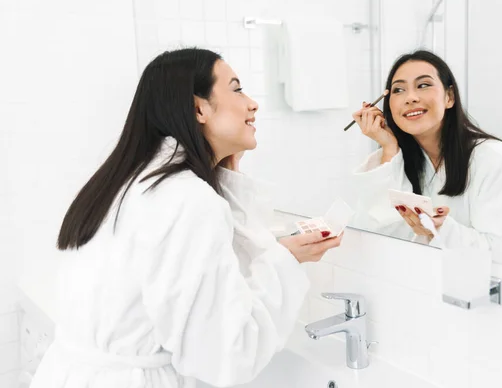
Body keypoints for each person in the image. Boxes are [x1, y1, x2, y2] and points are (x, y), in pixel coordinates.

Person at [30, 48, 342, 388]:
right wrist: (286, 261)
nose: (252, 104)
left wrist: (225, 171)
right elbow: (226, 357)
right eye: (237, 89)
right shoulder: (186, 199)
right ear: (199, 108)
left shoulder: (133, 180)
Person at [350, 50, 502, 249]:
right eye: (398, 90)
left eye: (423, 85)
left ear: (449, 97)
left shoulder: (494, 159)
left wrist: (442, 231)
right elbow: (379, 235)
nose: (410, 97)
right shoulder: (402, 159)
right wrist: (388, 147)